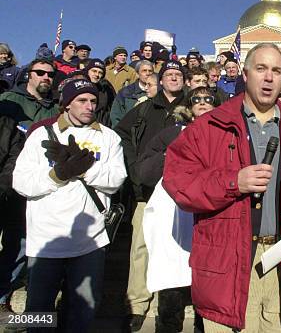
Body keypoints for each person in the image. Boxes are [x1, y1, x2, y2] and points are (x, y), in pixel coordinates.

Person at [163, 42, 281, 332]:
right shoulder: (211, 126)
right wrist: (233, 182)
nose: (269, 77)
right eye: (261, 69)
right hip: (229, 260)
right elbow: (178, 181)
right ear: (245, 74)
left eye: (277, 71)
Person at [12, 78, 127, 331]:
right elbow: (21, 182)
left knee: (83, 310)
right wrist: (58, 175)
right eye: (82, 100)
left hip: (91, 240)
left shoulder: (108, 137)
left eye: (93, 101)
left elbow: (117, 179)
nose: (89, 106)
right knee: (38, 310)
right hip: (46, 239)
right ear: (66, 105)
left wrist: (86, 168)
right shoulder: (41, 134)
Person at [138, 86, 218, 333]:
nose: (203, 102)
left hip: (210, 221)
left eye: (208, 99)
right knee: (171, 296)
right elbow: (143, 172)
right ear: (189, 107)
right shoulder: (172, 134)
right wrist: (174, 153)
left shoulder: (226, 136)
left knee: (207, 303)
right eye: (197, 99)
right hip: (175, 221)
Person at [115, 60, 186, 331]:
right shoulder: (144, 108)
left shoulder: (192, 109)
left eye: (178, 74)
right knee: (141, 248)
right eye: (169, 74)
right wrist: (135, 170)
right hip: (147, 190)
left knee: (176, 251)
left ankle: (172, 306)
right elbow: (122, 136)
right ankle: (137, 304)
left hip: (181, 194)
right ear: (160, 79)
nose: (173, 78)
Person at [0, 116, 25, 318]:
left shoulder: (8, 125)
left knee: (18, 245)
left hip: (5, 197)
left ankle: (0, 298)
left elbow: (12, 162)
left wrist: (2, 189)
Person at [0, 58, 59, 133]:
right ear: (29, 75)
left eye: (51, 75)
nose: (46, 77)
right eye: (40, 73)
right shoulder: (8, 99)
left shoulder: (57, 111)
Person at [109, 60, 154, 127]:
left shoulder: (159, 92)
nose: (148, 73)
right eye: (144, 71)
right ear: (137, 74)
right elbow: (116, 117)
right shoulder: (125, 93)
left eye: (150, 71)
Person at [84, 59, 115, 127]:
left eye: (100, 72)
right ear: (87, 71)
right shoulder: (78, 87)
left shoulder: (106, 89)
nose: (97, 75)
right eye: (94, 71)